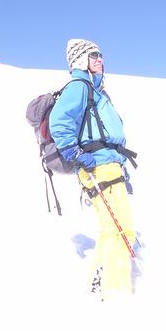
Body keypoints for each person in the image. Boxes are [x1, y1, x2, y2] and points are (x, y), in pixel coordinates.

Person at [49, 39, 137, 300]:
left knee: (112, 230)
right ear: (80, 60)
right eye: (94, 55)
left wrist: (120, 163)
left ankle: (98, 283)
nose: (100, 59)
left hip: (109, 165)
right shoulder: (79, 87)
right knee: (121, 231)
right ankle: (116, 292)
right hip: (98, 166)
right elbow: (59, 121)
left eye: (100, 54)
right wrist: (74, 153)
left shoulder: (96, 91)